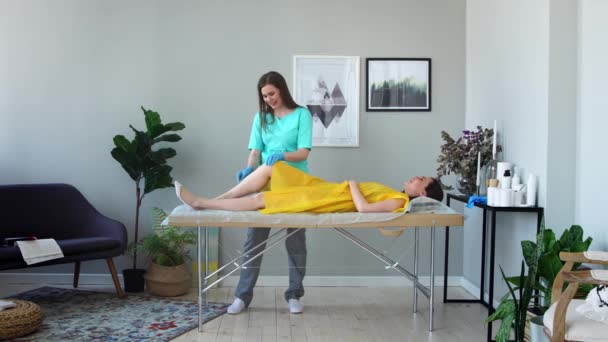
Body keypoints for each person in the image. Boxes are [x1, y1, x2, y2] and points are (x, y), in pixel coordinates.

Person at [230, 71, 313, 315]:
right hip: (266, 181)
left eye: (272, 94)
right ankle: (242, 297)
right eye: (264, 96)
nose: (268, 99)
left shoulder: (301, 115)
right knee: (253, 241)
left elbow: (303, 153)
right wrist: (249, 168)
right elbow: (256, 152)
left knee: (296, 241)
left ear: (282, 90)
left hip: (294, 182)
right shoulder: (261, 118)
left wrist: (282, 156)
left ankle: (294, 294)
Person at [175, 162, 444, 214]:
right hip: (326, 189)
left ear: (422, 193)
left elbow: (364, 208)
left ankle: (202, 203)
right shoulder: (397, 195)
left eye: (420, 178)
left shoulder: (400, 203)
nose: (414, 177)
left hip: (327, 199)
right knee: (272, 168)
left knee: (262, 199)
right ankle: (213, 199)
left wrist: (352, 185)